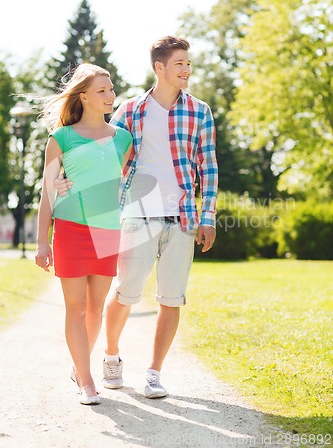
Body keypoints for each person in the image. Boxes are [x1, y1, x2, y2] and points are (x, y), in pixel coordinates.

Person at [57, 36, 218, 399]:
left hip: (183, 217)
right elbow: (99, 150)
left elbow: (208, 165)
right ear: (159, 67)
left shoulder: (200, 112)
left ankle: (154, 373)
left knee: (171, 298)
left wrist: (208, 214)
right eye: (179, 63)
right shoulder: (131, 110)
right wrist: (66, 177)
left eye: (188, 64)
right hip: (136, 215)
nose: (186, 70)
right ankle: (111, 356)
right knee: (125, 294)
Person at [35, 64, 132, 405]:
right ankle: (87, 380)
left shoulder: (123, 138)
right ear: (84, 97)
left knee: (95, 310)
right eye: (103, 90)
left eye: (111, 88)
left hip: (108, 229)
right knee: (75, 309)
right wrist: (41, 241)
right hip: (71, 229)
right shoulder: (60, 138)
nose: (110, 95)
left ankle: (80, 368)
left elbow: (114, 182)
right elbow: (48, 192)